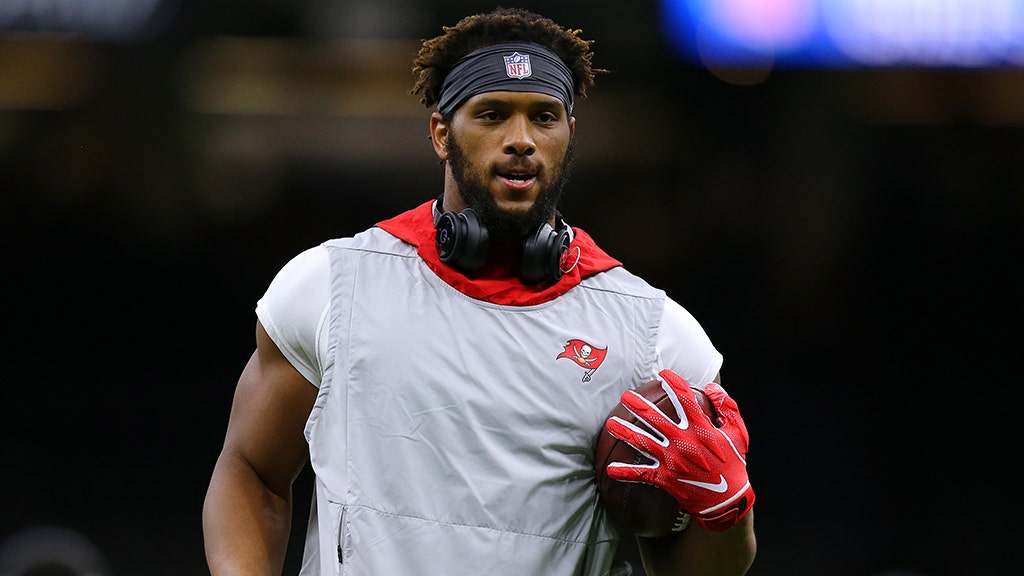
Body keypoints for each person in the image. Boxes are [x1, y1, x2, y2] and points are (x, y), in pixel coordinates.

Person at [203, 7, 756, 576]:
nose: (520, 140)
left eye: (543, 116)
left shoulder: (656, 337)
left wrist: (726, 513)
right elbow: (251, 471)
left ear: (570, 134)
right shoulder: (331, 288)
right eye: (492, 114)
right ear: (442, 133)